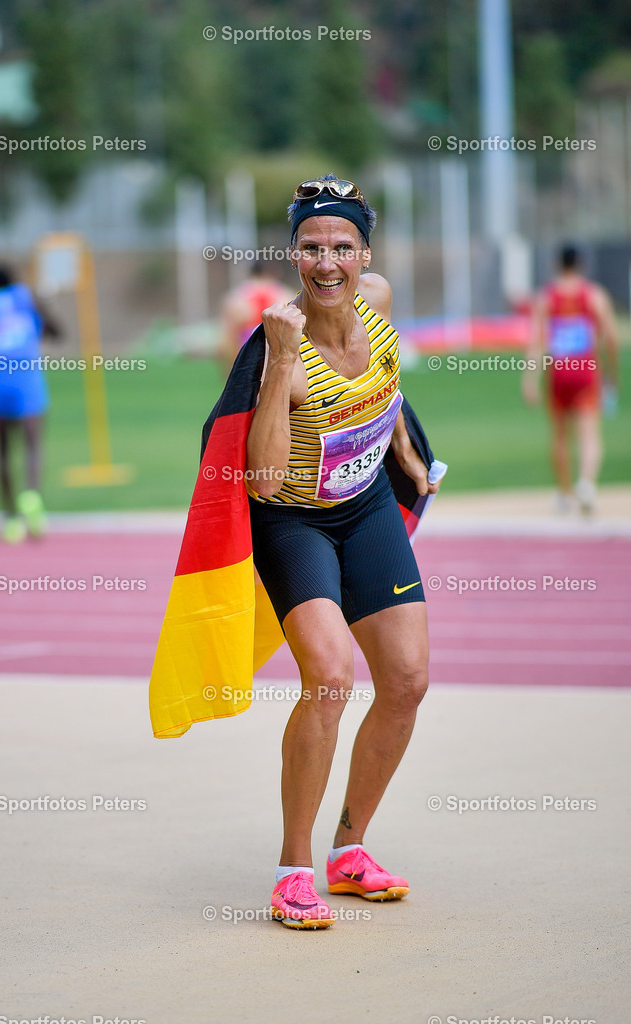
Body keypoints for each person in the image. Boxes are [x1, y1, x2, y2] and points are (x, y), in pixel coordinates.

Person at [243, 175, 441, 929]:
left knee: (406, 680)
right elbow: (260, 480)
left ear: (365, 254)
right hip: (294, 523)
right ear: (293, 253)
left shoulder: (379, 302)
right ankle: (293, 872)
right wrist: (276, 364)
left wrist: (405, 452)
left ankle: (348, 852)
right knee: (328, 678)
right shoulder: (283, 344)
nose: (326, 263)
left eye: (341, 248)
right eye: (310, 248)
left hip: (364, 509)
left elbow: (383, 385)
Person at [0, 265, 62, 543]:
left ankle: (10, 519)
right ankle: (31, 495)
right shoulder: (27, 297)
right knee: (33, 445)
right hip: (27, 382)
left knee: (3, 452)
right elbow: (56, 331)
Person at [523, 245, 619, 515]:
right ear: (582, 264)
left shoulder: (547, 297)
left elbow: (537, 342)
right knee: (589, 434)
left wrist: (530, 380)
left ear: (557, 264)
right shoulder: (594, 295)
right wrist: (612, 372)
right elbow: (611, 336)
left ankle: (564, 493)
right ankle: (586, 484)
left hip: (559, 372)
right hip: (586, 370)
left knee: (560, 436)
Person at [217, 261, 293, 372]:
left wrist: (228, 365)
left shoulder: (238, 295)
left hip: (246, 343)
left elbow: (228, 334)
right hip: (274, 343)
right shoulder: (283, 293)